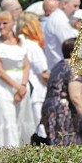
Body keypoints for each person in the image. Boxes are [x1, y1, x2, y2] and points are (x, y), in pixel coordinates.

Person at [0, 12, 30, 148]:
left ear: (12, 24)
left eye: (5, 23)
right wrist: (17, 86)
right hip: (3, 85)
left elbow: (26, 66)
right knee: (6, 117)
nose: (2, 26)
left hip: (20, 83)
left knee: (18, 119)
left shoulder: (22, 42)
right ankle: (7, 151)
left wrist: (23, 86)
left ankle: (19, 149)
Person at [41, 38, 82, 145]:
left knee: (55, 146)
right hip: (64, 113)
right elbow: (75, 97)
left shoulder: (58, 66)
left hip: (50, 110)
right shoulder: (74, 68)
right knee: (67, 145)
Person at [18, 14, 49, 143]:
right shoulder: (33, 46)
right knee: (39, 128)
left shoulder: (17, 43)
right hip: (37, 92)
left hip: (21, 90)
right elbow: (43, 73)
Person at [43, 0, 80, 72]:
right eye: (75, 6)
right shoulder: (59, 21)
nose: (76, 10)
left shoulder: (59, 19)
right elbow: (71, 47)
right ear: (65, 4)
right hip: (63, 72)